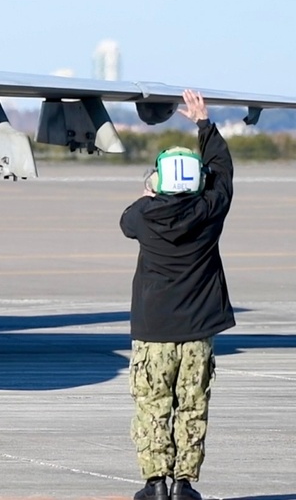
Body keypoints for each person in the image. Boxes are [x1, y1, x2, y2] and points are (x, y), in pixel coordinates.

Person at [120, 89, 235, 500]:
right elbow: (222, 174)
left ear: (157, 181)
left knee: (152, 406)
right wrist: (205, 126)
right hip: (198, 331)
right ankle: (184, 485)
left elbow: (127, 220)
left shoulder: (142, 217)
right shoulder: (210, 212)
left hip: (153, 331)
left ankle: (154, 484)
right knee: (192, 406)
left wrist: (151, 193)